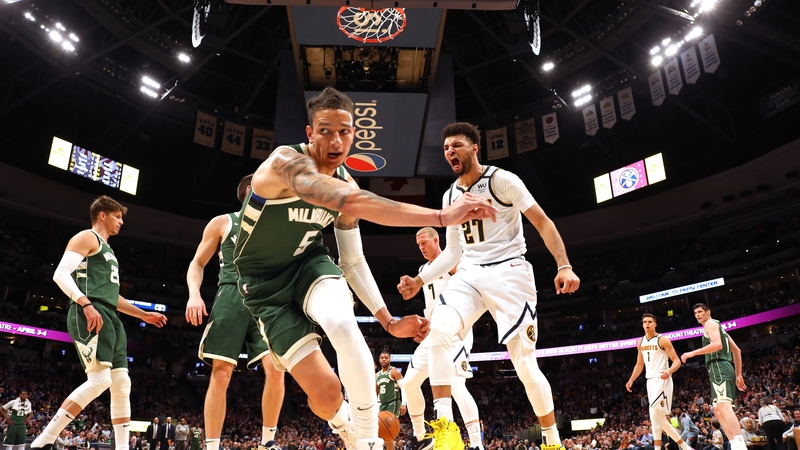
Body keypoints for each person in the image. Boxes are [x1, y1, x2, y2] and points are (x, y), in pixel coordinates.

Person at [231, 88, 496, 450]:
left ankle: (367, 443)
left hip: (310, 265)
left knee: (342, 323)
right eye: (325, 130)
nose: (336, 140)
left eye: (345, 131)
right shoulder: (284, 163)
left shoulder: (346, 181)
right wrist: (439, 215)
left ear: (355, 134)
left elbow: (352, 260)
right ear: (310, 134)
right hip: (264, 288)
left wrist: (387, 320)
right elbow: (347, 199)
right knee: (326, 395)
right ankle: (344, 425)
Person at [397, 122, 580, 450]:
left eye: (456, 145)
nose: (450, 152)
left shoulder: (502, 180)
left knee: (524, 364)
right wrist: (420, 280)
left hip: (509, 273)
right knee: (439, 328)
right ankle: (446, 429)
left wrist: (563, 265)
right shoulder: (450, 194)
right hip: (469, 272)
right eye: (445, 148)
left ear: (474, 148)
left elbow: (542, 222)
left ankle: (552, 440)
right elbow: (453, 251)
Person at [31, 196, 168, 450]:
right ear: (102, 215)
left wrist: (142, 314)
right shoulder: (87, 237)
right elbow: (60, 274)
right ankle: (44, 440)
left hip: (108, 314)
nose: (122, 222)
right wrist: (85, 303)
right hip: (88, 311)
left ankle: (123, 447)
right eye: (118, 216)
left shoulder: (108, 250)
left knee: (121, 383)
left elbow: (112, 296)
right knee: (99, 381)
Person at [186, 174, 286, 450]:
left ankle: (268, 442)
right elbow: (197, 263)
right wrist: (194, 294)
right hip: (231, 295)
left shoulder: (277, 225)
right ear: (253, 190)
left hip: (265, 300)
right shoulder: (223, 222)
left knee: (277, 368)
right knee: (221, 372)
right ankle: (212, 446)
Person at [398, 227, 484, 450]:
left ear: (437, 240)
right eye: (418, 245)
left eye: (424, 242)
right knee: (409, 383)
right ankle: (422, 437)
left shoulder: (454, 262)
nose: (421, 247)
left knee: (456, 384)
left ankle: (476, 444)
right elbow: (432, 306)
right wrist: (426, 325)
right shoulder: (422, 270)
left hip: (457, 333)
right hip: (434, 334)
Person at [681, 303, 747, 450]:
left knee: (724, 408)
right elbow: (737, 351)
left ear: (708, 312)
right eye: (695, 313)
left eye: (700, 312)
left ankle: (741, 447)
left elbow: (717, 345)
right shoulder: (720, 328)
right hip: (721, 368)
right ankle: (735, 445)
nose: (697, 315)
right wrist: (738, 374)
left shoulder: (710, 324)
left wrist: (692, 353)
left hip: (719, 367)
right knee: (718, 410)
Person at [625, 314, 692, 450]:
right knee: (659, 418)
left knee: (653, 413)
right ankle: (685, 447)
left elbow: (677, 361)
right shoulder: (640, 342)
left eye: (650, 322)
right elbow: (639, 364)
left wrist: (669, 371)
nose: (647, 324)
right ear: (642, 325)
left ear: (655, 324)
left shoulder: (662, 340)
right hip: (650, 380)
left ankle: (657, 448)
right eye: (645, 322)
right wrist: (631, 379)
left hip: (662, 378)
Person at [376, 350, 405, 450]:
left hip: (393, 402)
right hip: (382, 404)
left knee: (387, 430)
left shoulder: (394, 371)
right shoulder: (377, 375)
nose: (384, 359)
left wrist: (404, 403)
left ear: (390, 359)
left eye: (386, 357)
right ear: (379, 360)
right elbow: (376, 394)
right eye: (382, 357)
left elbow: (404, 387)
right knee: (381, 431)